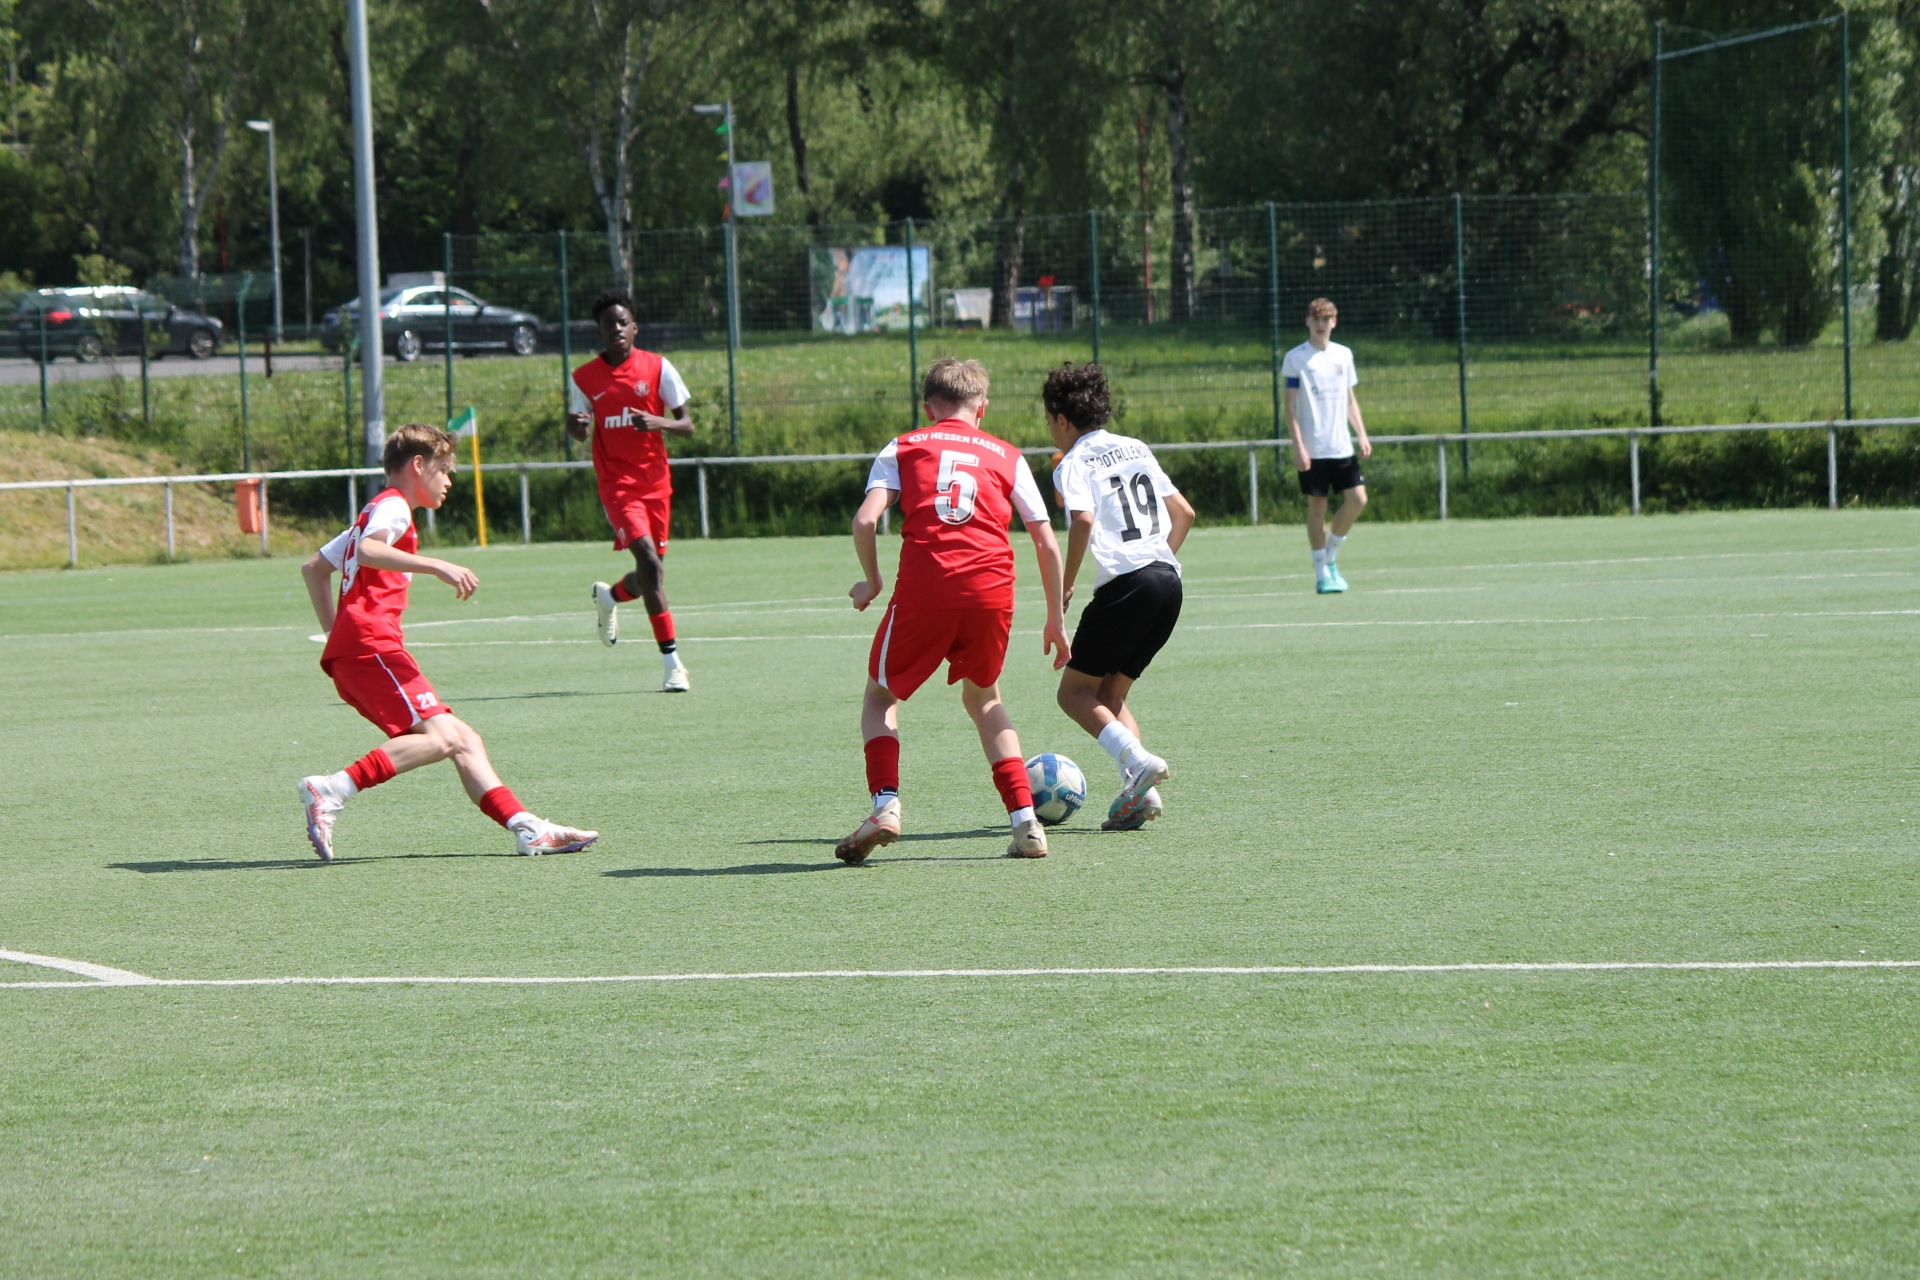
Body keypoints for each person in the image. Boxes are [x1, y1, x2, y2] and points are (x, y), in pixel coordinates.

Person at [297, 423, 598, 861]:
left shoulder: (373, 511)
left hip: (360, 648)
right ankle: (331, 788)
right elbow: (368, 551)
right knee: (441, 739)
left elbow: (313, 569)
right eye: (444, 469)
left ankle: (527, 828)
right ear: (418, 465)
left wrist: (337, 634)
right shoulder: (393, 507)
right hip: (373, 645)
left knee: (462, 738)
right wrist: (437, 565)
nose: (449, 480)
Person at [836, 357, 1071, 863]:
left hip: (928, 587)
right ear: (982, 407)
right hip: (992, 590)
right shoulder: (1008, 455)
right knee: (985, 700)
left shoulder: (903, 446)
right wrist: (1055, 618)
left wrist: (872, 581)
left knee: (880, 696)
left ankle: (886, 805)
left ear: (928, 408)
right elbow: (1047, 543)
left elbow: (864, 520)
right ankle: (1026, 822)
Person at [1045, 363, 1195, 831]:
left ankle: (1137, 762)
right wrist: (1154, 564)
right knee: (1110, 694)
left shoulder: (1071, 463)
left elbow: (1083, 520)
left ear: (1062, 420)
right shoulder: (1135, 447)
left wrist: (1067, 583)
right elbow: (1185, 514)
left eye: (1049, 420)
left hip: (1126, 585)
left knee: (1073, 694)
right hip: (1168, 582)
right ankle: (1142, 795)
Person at [568, 288, 697, 691]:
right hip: (617, 486)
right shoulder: (584, 378)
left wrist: (660, 423)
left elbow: (687, 425)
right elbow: (578, 428)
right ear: (599, 331)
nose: (617, 329)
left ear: (635, 327)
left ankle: (609, 597)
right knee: (650, 564)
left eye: (623, 322)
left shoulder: (658, 368)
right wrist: (575, 427)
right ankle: (673, 665)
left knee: (649, 574)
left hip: (656, 484)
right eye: (609, 324)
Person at [1282, 297, 1371, 594]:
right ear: (1307, 321)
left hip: (1341, 446)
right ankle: (1321, 572)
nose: (1321, 324)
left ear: (1334, 322)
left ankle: (1330, 554)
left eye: (1326, 319)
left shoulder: (1344, 355)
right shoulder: (1295, 358)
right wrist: (1298, 446)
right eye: (1316, 319)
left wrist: (1361, 434)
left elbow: (1349, 399)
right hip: (1313, 449)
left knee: (1358, 499)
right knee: (1317, 507)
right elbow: (1290, 407)